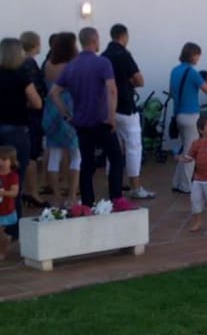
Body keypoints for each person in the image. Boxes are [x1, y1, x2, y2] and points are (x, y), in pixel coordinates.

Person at [49, 27, 128, 208]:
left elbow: (54, 93)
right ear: (95, 40)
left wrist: (66, 115)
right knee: (115, 157)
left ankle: (87, 202)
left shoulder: (72, 66)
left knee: (87, 162)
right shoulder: (103, 63)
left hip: (81, 122)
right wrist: (111, 116)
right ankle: (116, 197)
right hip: (101, 120)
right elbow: (112, 89)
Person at [0, 37, 42, 219]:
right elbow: (37, 102)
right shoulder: (21, 76)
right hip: (17, 129)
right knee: (15, 178)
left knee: (0, 176)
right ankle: (14, 222)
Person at [102, 24, 155, 200]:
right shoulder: (123, 54)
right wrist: (129, 83)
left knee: (113, 148)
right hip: (125, 106)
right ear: (124, 36)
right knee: (133, 147)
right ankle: (136, 186)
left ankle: (114, 184)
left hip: (108, 108)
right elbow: (139, 80)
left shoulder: (104, 56)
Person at [170, 43, 207, 193]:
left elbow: (172, 92)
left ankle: (177, 182)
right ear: (193, 55)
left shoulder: (175, 71)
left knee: (185, 149)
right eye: (198, 55)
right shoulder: (192, 72)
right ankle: (185, 186)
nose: (199, 58)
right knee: (191, 152)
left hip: (178, 115)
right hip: (191, 116)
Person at [42, 32, 80, 200]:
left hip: (50, 110)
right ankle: (72, 195)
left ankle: (57, 196)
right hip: (68, 108)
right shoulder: (72, 66)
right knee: (75, 154)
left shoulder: (48, 64)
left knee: (54, 154)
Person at [178, 114, 207, 233]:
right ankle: (198, 221)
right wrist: (182, 158)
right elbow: (189, 157)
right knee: (195, 200)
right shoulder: (196, 143)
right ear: (201, 130)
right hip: (198, 178)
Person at [19, 31, 47, 207]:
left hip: (27, 114)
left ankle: (28, 190)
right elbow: (33, 90)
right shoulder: (29, 64)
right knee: (31, 155)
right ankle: (32, 191)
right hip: (32, 115)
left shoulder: (21, 63)